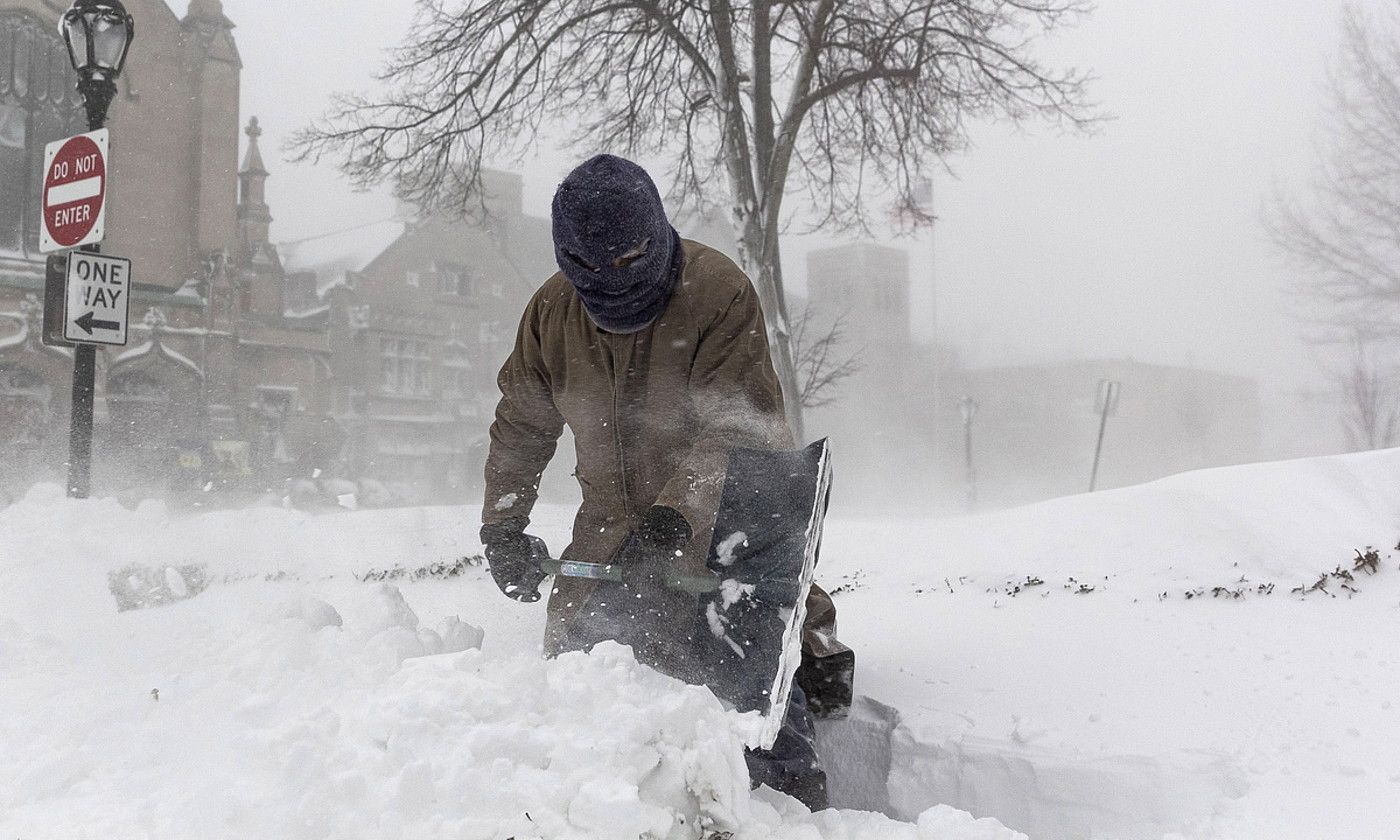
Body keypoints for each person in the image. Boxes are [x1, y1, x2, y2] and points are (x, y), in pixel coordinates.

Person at [479, 153, 845, 810]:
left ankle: (790, 795)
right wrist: (502, 526)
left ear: (655, 231)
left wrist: (674, 519)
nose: (613, 279)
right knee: (587, 693)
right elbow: (522, 423)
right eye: (594, 269)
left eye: (628, 261)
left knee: (751, 697)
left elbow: (743, 430)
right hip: (608, 537)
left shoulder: (717, 294)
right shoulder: (550, 314)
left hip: (716, 526)